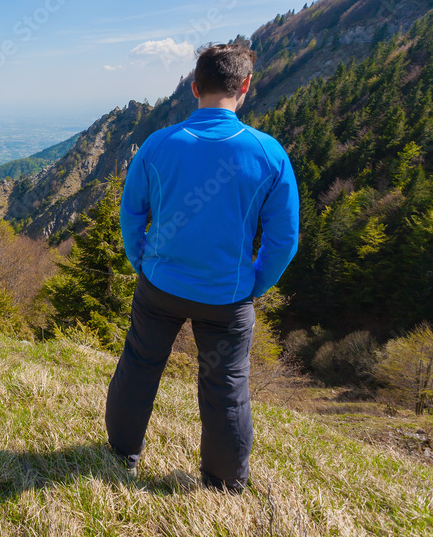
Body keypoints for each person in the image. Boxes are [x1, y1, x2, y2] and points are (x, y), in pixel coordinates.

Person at [105, 43, 299, 493]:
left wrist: (143, 262)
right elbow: (283, 240)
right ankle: (223, 484)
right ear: (245, 86)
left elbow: (131, 214)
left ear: (194, 87)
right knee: (225, 386)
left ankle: (121, 456)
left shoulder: (158, 145)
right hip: (228, 296)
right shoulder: (268, 154)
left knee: (139, 366)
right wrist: (254, 283)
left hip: (160, 286)